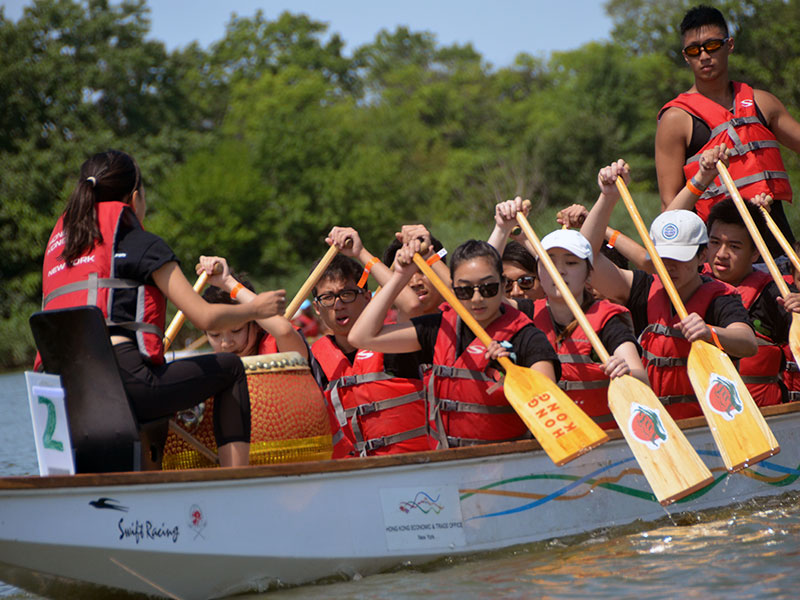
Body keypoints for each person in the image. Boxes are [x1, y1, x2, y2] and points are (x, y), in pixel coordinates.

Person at [39, 150, 284, 467]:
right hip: (125, 384)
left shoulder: (62, 254)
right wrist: (257, 308)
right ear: (135, 198)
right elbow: (205, 316)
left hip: (63, 392)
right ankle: (235, 484)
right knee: (230, 369)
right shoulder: (144, 245)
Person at [580, 160, 757, 420]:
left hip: (709, 422)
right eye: (663, 257)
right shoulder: (641, 288)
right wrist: (608, 197)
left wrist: (710, 332)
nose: (670, 267)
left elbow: (748, 343)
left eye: (681, 257)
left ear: (701, 257)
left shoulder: (720, 298)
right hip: (657, 424)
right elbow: (586, 256)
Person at [348, 238, 561, 448]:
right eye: (465, 290)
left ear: (503, 284)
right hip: (449, 466)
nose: (477, 298)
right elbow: (361, 337)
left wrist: (510, 371)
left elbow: (546, 400)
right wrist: (399, 277)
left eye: (488, 288)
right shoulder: (438, 328)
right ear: (453, 290)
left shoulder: (527, 337)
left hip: (506, 464)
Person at [655, 5, 800, 259]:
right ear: (685, 56)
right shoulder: (676, 119)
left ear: (729, 45)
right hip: (722, 259)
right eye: (693, 50)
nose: (704, 56)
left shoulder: (762, 103)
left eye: (712, 45)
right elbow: (670, 208)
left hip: (779, 249)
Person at [308, 229, 432, 457]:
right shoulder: (313, 360)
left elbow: (411, 305)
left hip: (411, 470)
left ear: (367, 297)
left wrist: (360, 252)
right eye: (327, 298)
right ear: (317, 308)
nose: (338, 305)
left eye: (347, 294)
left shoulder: (394, 342)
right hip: (354, 479)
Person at [532, 229, 648, 430]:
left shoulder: (608, 321)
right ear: (539, 272)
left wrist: (627, 372)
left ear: (588, 274)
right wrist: (501, 229)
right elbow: (479, 290)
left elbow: (642, 380)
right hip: (548, 439)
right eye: (549, 262)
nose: (559, 271)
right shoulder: (525, 315)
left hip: (605, 439)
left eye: (571, 263)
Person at [704, 194, 800, 405]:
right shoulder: (691, 283)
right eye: (715, 242)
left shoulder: (776, 293)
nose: (721, 254)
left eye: (734, 247)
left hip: (763, 416)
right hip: (701, 415)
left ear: (755, 252)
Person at [195, 256, 308, 358]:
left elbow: (284, 331)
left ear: (257, 325)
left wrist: (227, 282)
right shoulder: (210, 371)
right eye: (215, 335)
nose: (226, 344)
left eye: (236, 331)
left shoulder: (279, 348)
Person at [382, 224, 450, 320]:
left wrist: (429, 254)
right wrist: (360, 252)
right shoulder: (384, 332)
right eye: (405, 275)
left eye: (422, 270)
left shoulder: (468, 318)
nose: (415, 282)